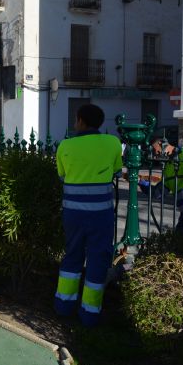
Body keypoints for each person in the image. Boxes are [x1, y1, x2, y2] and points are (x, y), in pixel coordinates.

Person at [54, 104, 122, 326]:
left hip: (73, 214)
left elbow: (62, 175)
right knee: (98, 259)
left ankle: (63, 305)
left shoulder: (65, 145)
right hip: (101, 215)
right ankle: (90, 314)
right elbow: (115, 171)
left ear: (80, 120)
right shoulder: (113, 143)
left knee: (72, 255)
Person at [139, 139, 183, 243]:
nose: (155, 156)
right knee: (178, 245)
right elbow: (157, 193)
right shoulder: (168, 167)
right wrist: (140, 182)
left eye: (155, 151)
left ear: (161, 144)